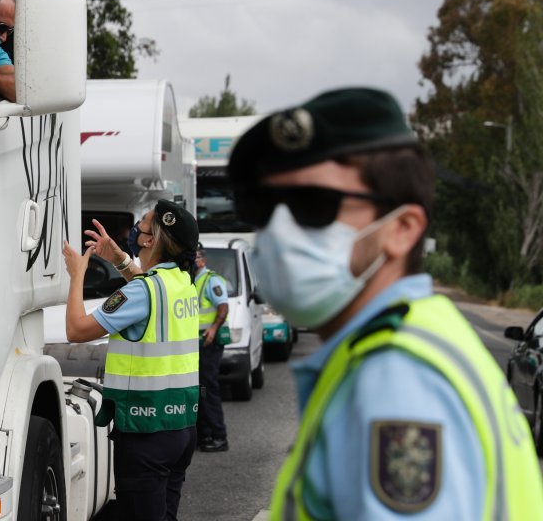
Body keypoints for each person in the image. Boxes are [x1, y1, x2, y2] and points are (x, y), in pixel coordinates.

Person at [227, 87, 543, 520]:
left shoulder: (397, 381)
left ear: (402, 229)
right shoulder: (424, 332)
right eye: (264, 206)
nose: (280, 230)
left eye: (312, 205)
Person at [63, 199, 200, 521]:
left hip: (145, 431)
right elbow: (145, 288)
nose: (137, 227)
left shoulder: (145, 291)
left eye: (143, 224)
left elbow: (76, 330)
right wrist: (120, 260)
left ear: (150, 240)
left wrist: (77, 275)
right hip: (180, 427)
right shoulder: (182, 282)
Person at [194, 244, 230, 452]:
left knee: (208, 389)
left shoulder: (212, 280)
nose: (195, 260)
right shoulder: (194, 279)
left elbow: (223, 307)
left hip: (209, 342)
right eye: (193, 256)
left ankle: (219, 436)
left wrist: (214, 329)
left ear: (204, 260)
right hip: (197, 343)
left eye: (199, 257)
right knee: (201, 390)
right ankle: (205, 434)